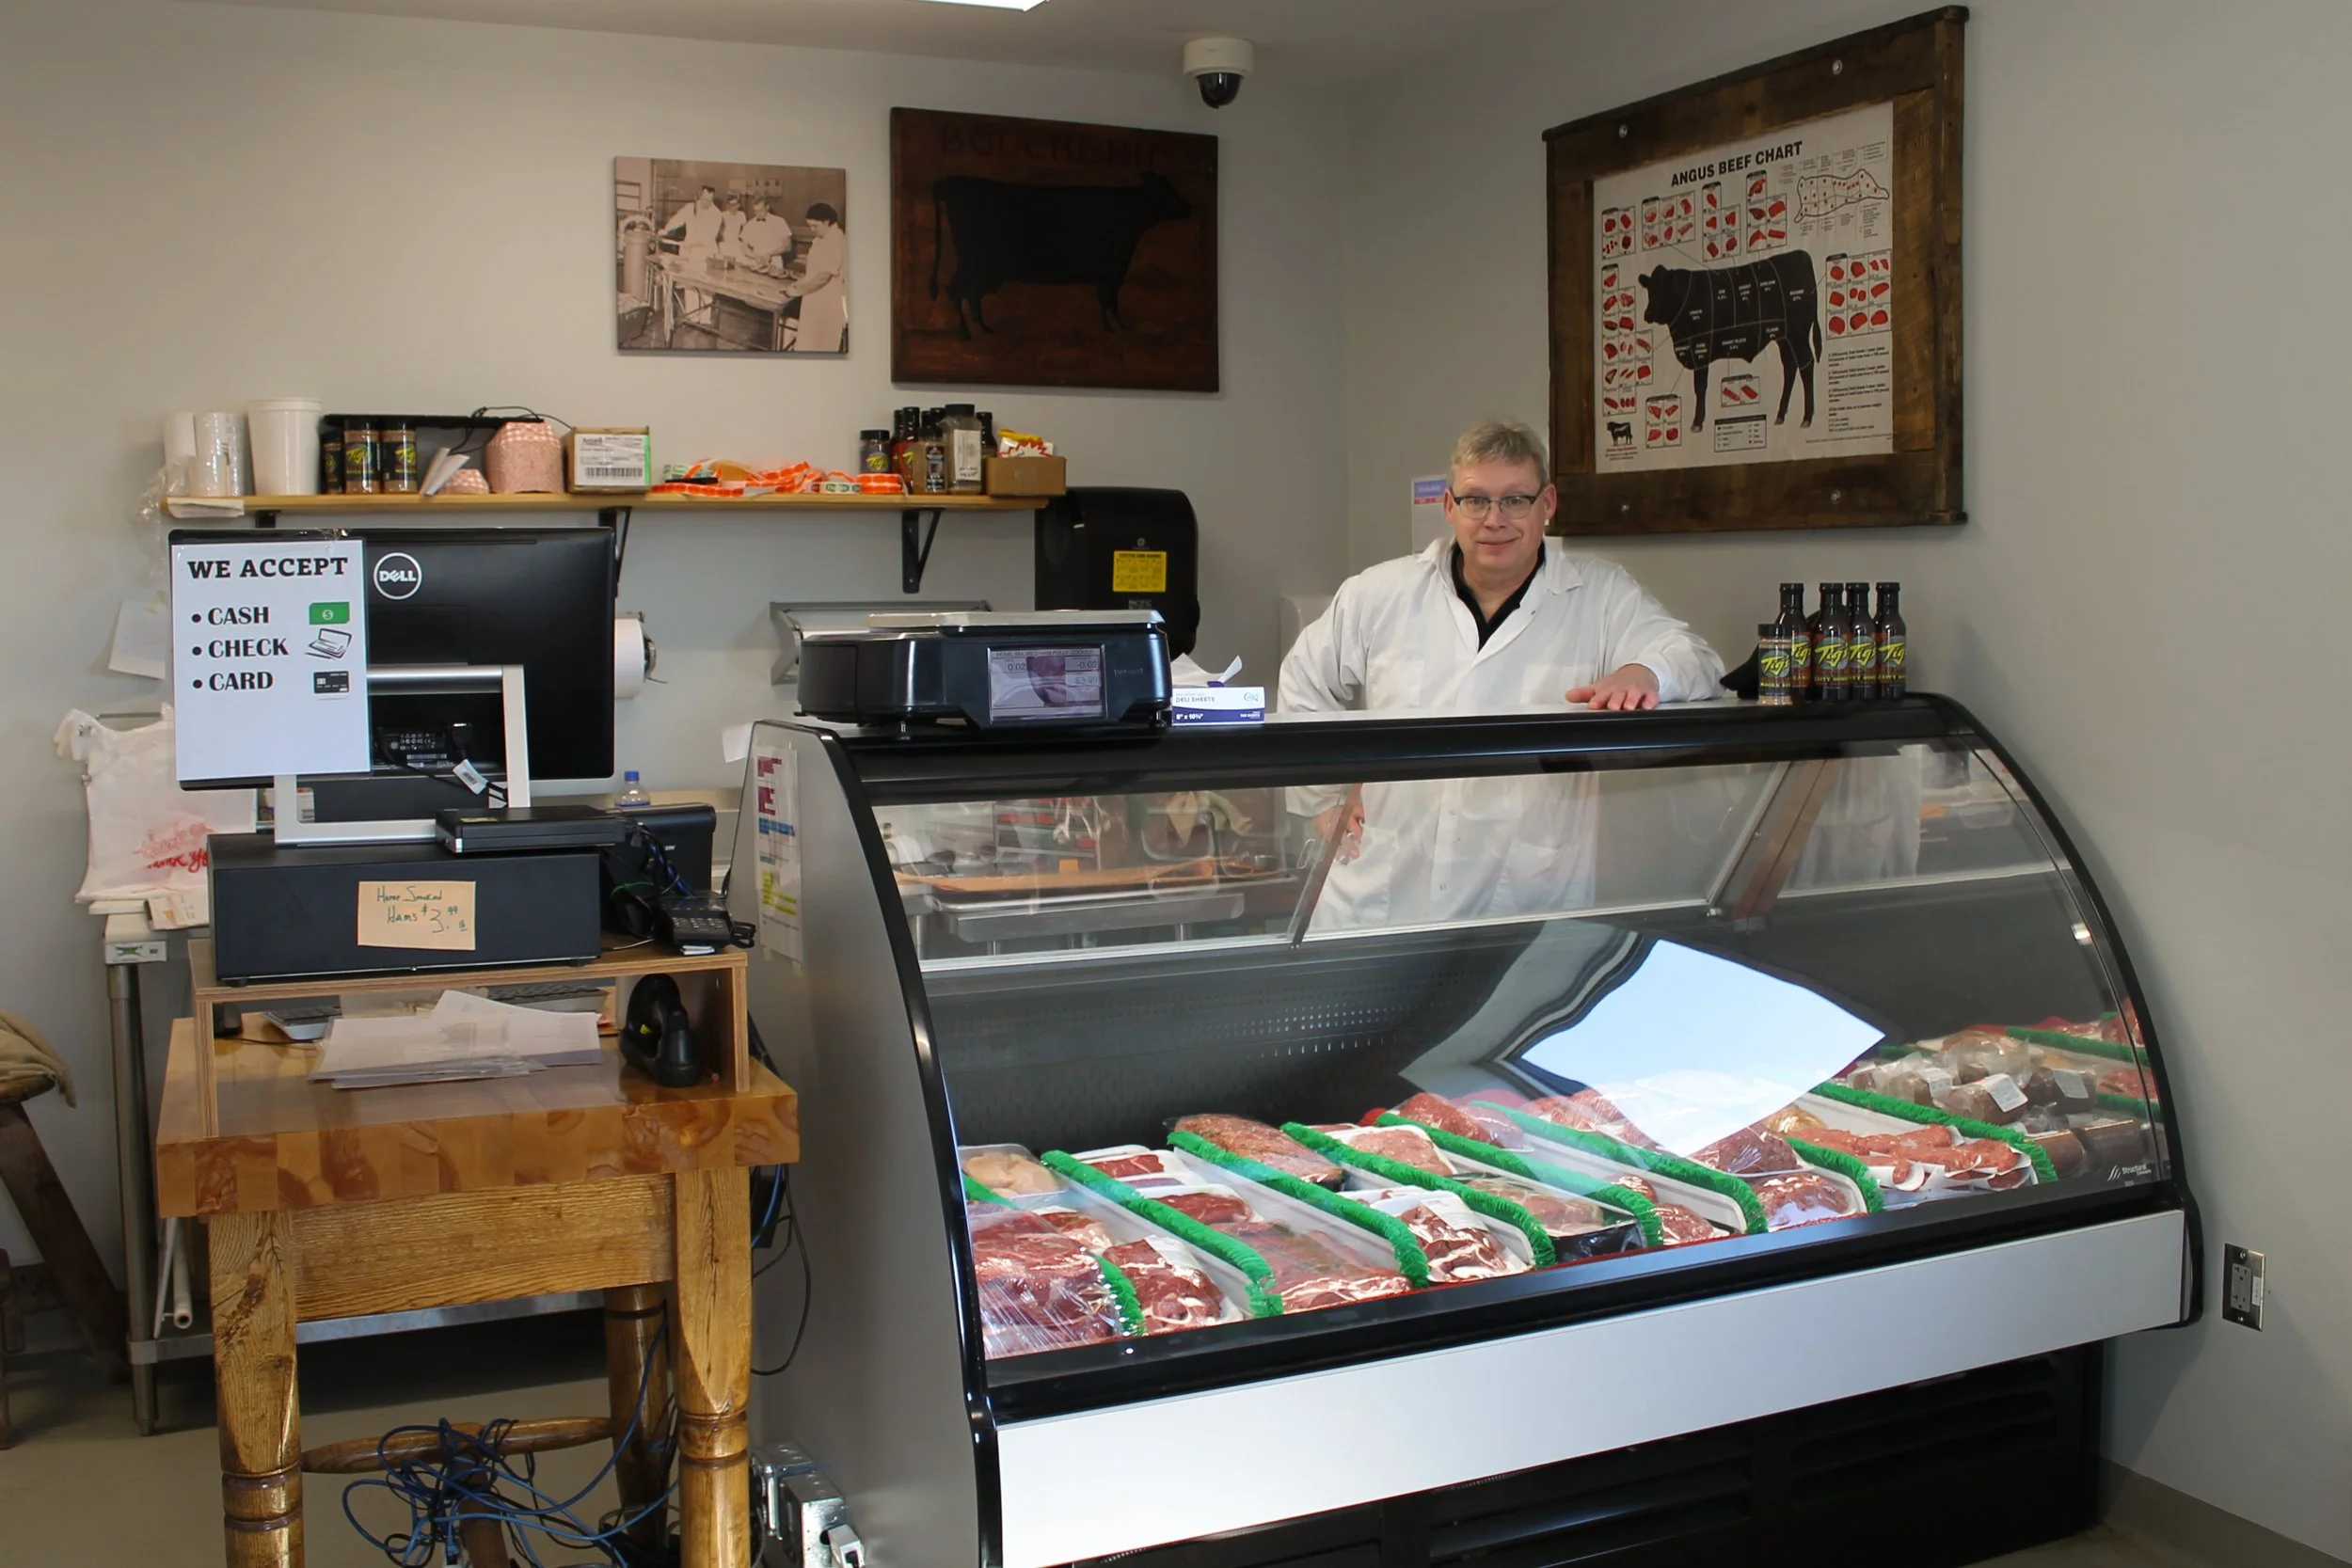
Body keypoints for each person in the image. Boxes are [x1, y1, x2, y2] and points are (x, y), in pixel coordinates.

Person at [1279, 417, 1724, 927]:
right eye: (1475, 500)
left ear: (1547, 505)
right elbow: (1303, 681)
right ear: (1449, 507)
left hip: (1523, 900)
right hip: (1379, 896)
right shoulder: (1379, 593)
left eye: (1516, 500)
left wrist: (1645, 671)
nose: (1495, 519)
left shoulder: (1599, 596)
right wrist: (1324, 800)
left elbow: (1696, 659)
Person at [659, 184, 723, 332]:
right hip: (688, 254)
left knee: (705, 287)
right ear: (697, 197)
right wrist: (666, 229)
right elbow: (677, 219)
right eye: (704, 200)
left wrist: (689, 243)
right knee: (689, 285)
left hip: (705, 254)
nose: (707, 203)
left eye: (710, 200)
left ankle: (705, 320)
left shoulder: (716, 214)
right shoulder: (689, 208)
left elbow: (708, 238)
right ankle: (692, 317)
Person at [785, 202, 847, 353]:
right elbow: (814, 271)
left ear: (826, 221)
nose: (812, 230)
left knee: (821, 347)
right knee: (806, 344)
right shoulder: (821, 238)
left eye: (815, 226)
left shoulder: (836, 239)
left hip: (827, 304)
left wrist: (800, 291)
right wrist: (800, 283)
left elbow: (823, 276)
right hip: (814, 299)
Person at [737, 195, 796, 277]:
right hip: (757, 262)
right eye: (755, 211)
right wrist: (754, 256)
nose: (758, 214)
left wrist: (769, 254)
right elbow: (743, 246)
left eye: (760, 210)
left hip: (774, 262)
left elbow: (787, 246)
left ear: (767, 207)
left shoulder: (779, 222)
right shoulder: (750, 224)